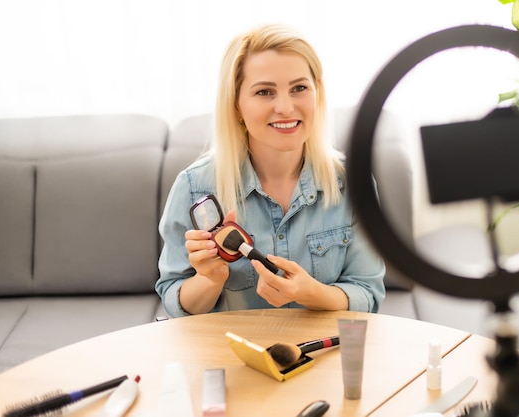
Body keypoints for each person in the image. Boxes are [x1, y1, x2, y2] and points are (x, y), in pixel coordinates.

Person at [155, 23, 385, 317]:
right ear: (236, 105)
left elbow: (368, 294)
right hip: (229, 356)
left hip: (321, 355)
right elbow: (175, 302)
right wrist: (209, 279)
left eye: (299, 88)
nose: (286, 108)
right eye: (265, 92)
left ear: (317, 93)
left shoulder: (353, 184)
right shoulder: (194, 187)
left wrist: (311, 293)